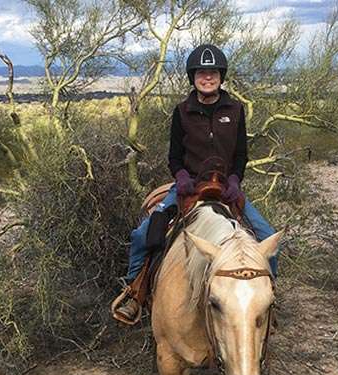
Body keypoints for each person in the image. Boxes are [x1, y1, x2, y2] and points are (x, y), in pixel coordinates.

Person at [113, 44, 278, 323]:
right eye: (202, 73)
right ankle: (134, 292)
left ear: (221, 76)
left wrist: (236, 179)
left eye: (213, 72)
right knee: (143, 235)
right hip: (188, 186)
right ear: (193, 77)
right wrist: (181, 176)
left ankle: (267, 299)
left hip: (227, 189)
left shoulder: (235, 110)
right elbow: (174, 156)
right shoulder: (182, 112)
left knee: (267, 237)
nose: (208, 78)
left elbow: (241, 155)